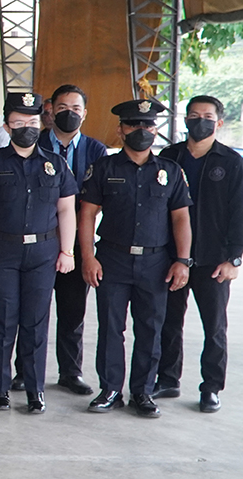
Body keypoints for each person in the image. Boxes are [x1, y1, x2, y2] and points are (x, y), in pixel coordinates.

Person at [79, 99, 192, 418]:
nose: (141, 131)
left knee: (150, 328)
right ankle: (111, 389)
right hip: (112, 259)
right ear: (121, 129)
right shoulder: (104, 168)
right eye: (134, 125)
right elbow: (87, 215)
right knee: (111, 327)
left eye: (147, 125)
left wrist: (182, 260)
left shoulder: (170, 171)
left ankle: (142, 391)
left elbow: (181, 218)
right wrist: (88, 256)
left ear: (155, 130)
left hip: (156, 264)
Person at [0, 92, 78, 414]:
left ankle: (35, 389)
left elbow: (66, 210)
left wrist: (67, 251)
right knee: (3, 321)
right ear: (7, 126)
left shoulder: (55, 163)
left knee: (36, 322)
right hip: (2, 250)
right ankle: (0, 388)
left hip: (44, 252)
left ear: (41, 124)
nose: (26, 128)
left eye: (32, 122)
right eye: (19, 123)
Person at [154, 95, 243, 413]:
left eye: (207, 116)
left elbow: (240, 213)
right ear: (185, 120)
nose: (200, 120)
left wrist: (234, 257)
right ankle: (167, 378)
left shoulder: (231, 162)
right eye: (193, 115)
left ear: (219, 122)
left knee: (215, 327)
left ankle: (211, 387)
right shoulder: (169, 157)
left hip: (213, 261)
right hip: (171, 257)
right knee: (168, 322)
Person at [13, 84, 108, 395]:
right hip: (35, 239)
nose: (69, 113)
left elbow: (95, 199)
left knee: (72, 310)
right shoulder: (33, 141)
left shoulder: (95, 150)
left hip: (76, 242)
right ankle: (25, 371)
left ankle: (70, 371)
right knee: (29, 311)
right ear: (50, 110)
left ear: (85, 113)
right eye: (63, 107)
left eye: (76, 108)